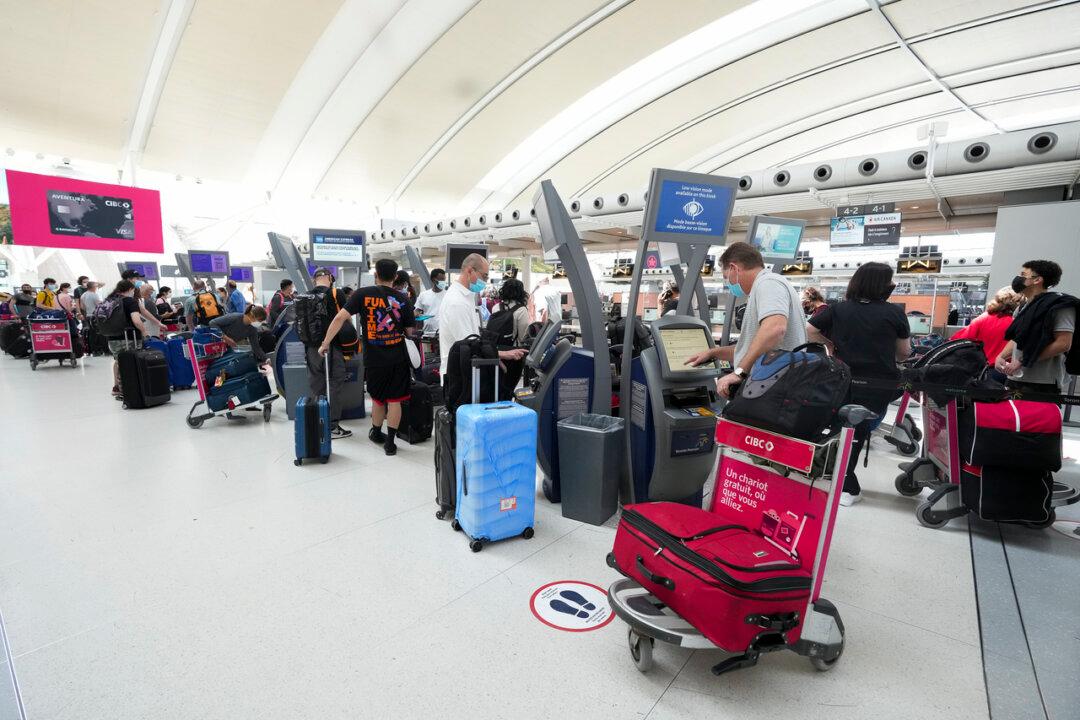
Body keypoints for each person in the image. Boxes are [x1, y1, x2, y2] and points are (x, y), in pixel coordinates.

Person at [806, 262, 911, 506]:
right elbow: (904, 352)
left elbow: (810, 329)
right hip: (879, 386)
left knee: (841, 430)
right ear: (882, 285)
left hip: (843, 381)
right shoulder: (894, 312)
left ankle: (837, 479)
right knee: (859, 431)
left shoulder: (839, 309)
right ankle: (847, 487)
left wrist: (830, 345)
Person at [684, 242, 806, 400]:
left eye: (727, 277)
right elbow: (754, 348)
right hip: (772, 387)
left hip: (773, 391)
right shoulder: (765, 285)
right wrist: (714, 353)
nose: (728, 284)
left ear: (734, 269)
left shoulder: (768, 283)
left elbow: (775, 329)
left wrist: (739, 372)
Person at [320, 259, 415, 455]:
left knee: (379, 399)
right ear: (396, 277)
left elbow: (339, 318)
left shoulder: (362, 294)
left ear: (376, 275)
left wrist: (325, 343)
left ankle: (376, 432)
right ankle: (390, 442)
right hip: (397, 356)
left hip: (374, 358)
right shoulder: (403, 299)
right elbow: (409, 330)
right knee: (395, 400)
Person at [995, 260, 1079, 395]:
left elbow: (1063, 344)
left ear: (1037, 280)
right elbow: (1018, 338)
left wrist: (1023, 360)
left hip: (1042, 381)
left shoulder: (1060, 306)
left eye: (1023, 274)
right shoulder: (1022, 307)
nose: (1018, 278)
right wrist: (1002, 356)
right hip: (1015, 377)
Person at [439, 253, 527, 378]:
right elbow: (468, 346)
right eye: (484, 276)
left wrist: (498, 354)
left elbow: (474, 340)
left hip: (466, 369)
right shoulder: (457, 302)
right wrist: (500, 354)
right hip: (459, 375)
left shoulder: (465, 298)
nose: (485, 282)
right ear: (470, 271)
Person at [300, 268, 352, 440]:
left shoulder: (305, 296)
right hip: (331, 347)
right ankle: (332, 427)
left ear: (314, 279)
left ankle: (319, 423)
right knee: (335, 385)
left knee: (317, 386)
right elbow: (345, 319)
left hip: (310, 349)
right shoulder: (336, 294)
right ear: (330, 278)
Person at [950, 287, 1023, 367]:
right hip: (1007, 370)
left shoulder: (983, 319)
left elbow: (955, 342)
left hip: (981, 371)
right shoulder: (1018, 322)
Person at [104, 279, 149, 398]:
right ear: (129, 289)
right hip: (129, 338)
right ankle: (130, 390)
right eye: (133, 290)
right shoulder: (130, 301)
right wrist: (144, 332)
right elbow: (136, 320)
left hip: (112, 338)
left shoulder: (110, 301)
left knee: (119, 361)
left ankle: (118, 387)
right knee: (130, 363)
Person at [490, 278, 532, 390]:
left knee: (497, 386)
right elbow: (523, 336)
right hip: (513, 355)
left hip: (497, 352)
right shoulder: (521, 310)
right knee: (509, 387)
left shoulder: (496, 307)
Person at [415, 268, 447, 338]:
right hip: (427, 333)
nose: (443, 282)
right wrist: (416, 314)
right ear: (433, 280)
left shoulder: (448, 295)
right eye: (441, 279)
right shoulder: (423, 295)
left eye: (444, 280)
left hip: (444, 333)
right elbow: (417, 311)